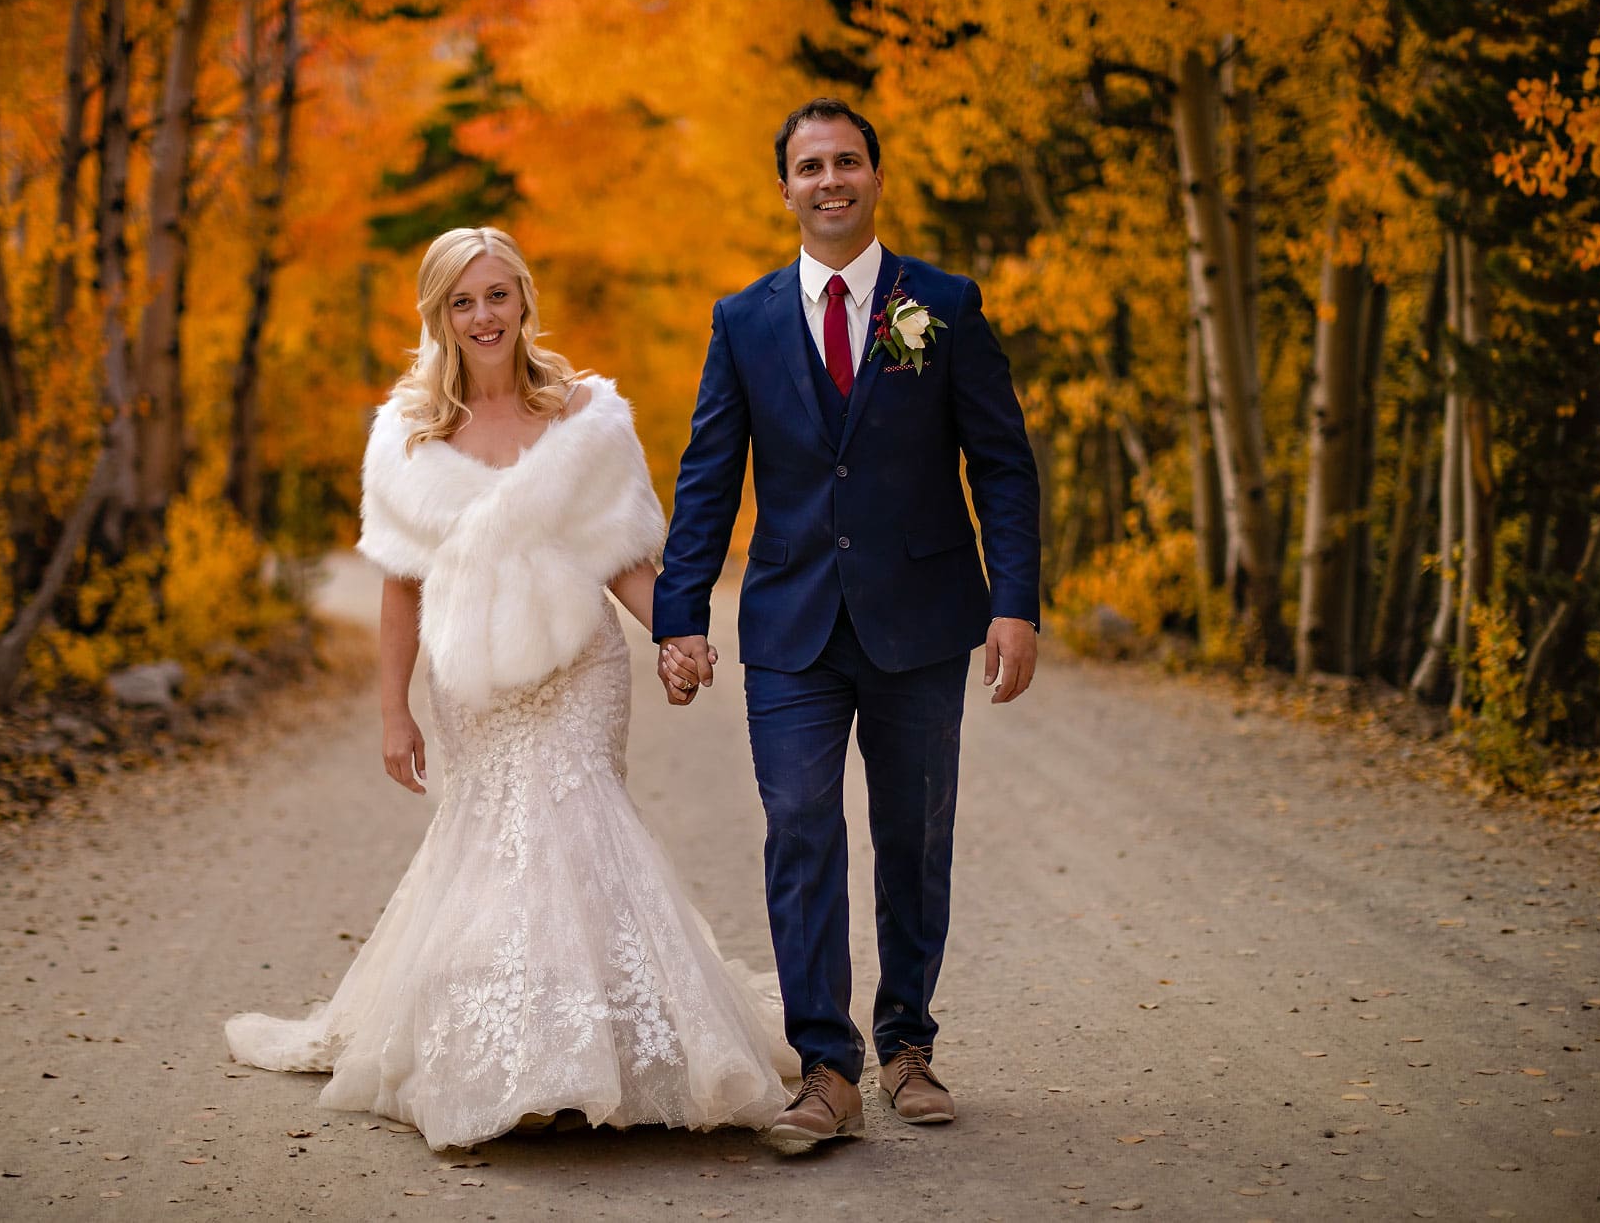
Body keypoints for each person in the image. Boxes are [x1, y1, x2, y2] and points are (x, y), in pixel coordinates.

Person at [225, 226, 791, 1151]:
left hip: (581, 672)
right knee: (498, 842)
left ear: (524, 300)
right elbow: (401, 587)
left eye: (497, 295)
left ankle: (592, 1054)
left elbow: (625, 561)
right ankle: (515, 1055)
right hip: (474, 683)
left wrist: (678, 637)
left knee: (579, 827)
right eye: (462, 300)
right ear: (439, 315)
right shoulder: (408, 435)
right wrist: (391, 710)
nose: (483, 315)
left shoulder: (586, 421)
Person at [652, 98, 1042, 1145]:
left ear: (875, 176)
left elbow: (1000, 461)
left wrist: (1014, 600)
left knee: (913, 836)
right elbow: (706, 478)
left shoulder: (940, 305)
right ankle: (824, 1064)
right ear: (782, 187)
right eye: (809, 166)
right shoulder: (743, 321)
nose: (830, 180)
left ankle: (907, 1045)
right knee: (800, 826)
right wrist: (676, 615)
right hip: (789, 623)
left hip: (920, 618)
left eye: (847, 162)